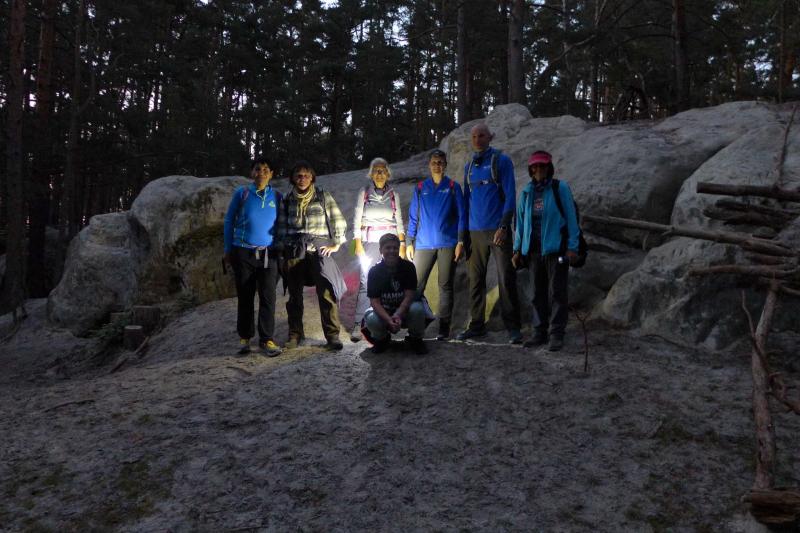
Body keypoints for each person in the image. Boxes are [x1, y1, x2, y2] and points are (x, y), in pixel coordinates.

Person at [457, 123, 522, 344]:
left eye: (482, 135)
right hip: (474, 231)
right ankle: (476, 325)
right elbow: (466, 201)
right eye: (474, 136)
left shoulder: (501, 161)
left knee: (506, 278)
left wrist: (504, 226)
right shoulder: (469, 167)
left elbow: (510, 195)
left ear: (490, 137)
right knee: (475, 280)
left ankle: (513, 327)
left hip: (497, 230)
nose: (477, 139)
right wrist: (463, 235)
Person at [512, 150, 580, 352]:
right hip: (533, 251)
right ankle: (539, 332)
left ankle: (556, 334)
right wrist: (517, 249)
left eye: (542, 165)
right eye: (535, 166)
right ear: (531, 169)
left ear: (549, 167)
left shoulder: (560, 188)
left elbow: (571, 218)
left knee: (557, 292)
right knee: (537, 293)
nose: (539, 169)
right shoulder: (527, 192)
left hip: (556, 249)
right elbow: (521, 224)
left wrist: (573, 247)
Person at [276, 161, 348, 351]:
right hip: (295, 248)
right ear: (293, 178)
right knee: (294, 295)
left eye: (306, 175)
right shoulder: (287, 200)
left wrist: (336, 243)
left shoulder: (322, 196)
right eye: (298, 176)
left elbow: (337, 219)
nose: (302, 179)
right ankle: (295, 334)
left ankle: (332, 336)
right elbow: (282, 228)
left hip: (319, 247)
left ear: (312, 178)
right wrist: (282, 252)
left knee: (326, 291)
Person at [223, 158, 283, 356]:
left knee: (268, 297)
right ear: (252, 173)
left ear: (271, 174)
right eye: (258, 169)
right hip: (243, 252)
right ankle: (245, 337)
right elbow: (229, 220)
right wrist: (227, 248)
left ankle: (267, 339)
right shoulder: (242, 193)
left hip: (269, 254)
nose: (261, 173)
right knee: (245, 296)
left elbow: (283, 222)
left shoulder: (277, 196)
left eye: (266, 170)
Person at [406, 149, 466, 340]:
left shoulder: (453, 187)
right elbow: (413, 217)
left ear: (445, 165)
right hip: (423, 244)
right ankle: (415, 328)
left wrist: (461, 241)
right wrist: (409, 241)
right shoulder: (420, 187)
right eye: (434, 162)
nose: (437, 165)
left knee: (445, 286)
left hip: (448, 243)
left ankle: (444, 330)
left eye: (440, 162)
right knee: (415, 287)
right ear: (429, 165)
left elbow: (462, 216)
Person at [350, 157, 406, 342]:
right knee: (366, 281)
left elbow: (399, 220)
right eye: (376, 170)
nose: (379, 174)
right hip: (369, 242)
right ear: (371, 174)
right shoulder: (364, 192)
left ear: (388, 173)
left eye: (382, 170)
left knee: (388, 282)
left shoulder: (393, 194)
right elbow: (357, 218)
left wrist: (402, 244)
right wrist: (358, 243)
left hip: (389, 244)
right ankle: (359, 323)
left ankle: (385, 323)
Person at [363, 233, 428, 355]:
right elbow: (374, 302)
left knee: (418, 309)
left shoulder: (408, 267)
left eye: (395, 248)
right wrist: (388, 320)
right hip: (385, 310)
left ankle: (416, 339)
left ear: (399, 249)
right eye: (388, 248)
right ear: (381, 250)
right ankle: (382, 339)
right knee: (371, 318)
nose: (392, 251)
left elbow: (409, 296)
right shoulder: (374, 271)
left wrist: (398, 314)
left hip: (405, 310)